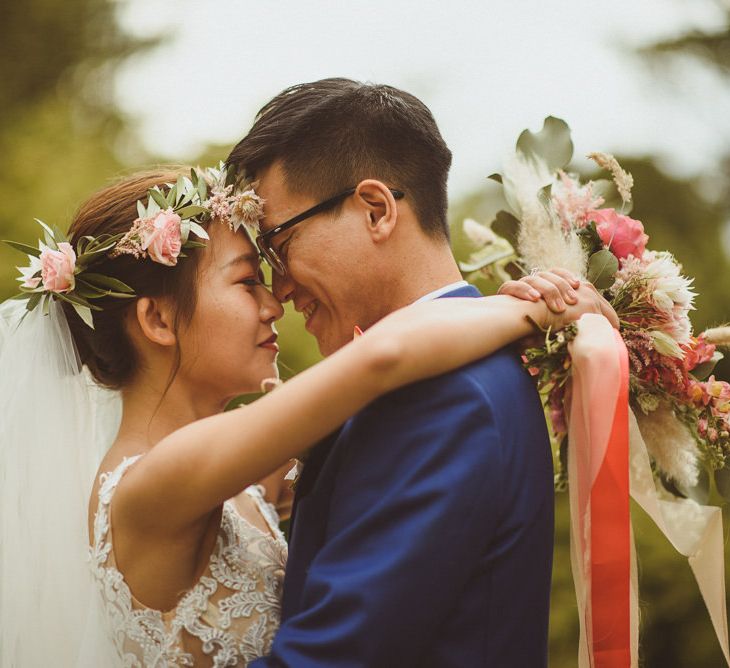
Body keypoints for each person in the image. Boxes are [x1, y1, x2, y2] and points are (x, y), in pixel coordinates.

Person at [0, 165, 614, 666]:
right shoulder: (155, 481)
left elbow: (370, 439)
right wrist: (537, 311)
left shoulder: (246, 473)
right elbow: (382, 360)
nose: (275, 304)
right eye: (246, 283)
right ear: (158, 320)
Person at [226, 78, 618, 667]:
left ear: (376, 210)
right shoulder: (430, 374)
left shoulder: (445, 397)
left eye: (280, 245)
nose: (278, 290)